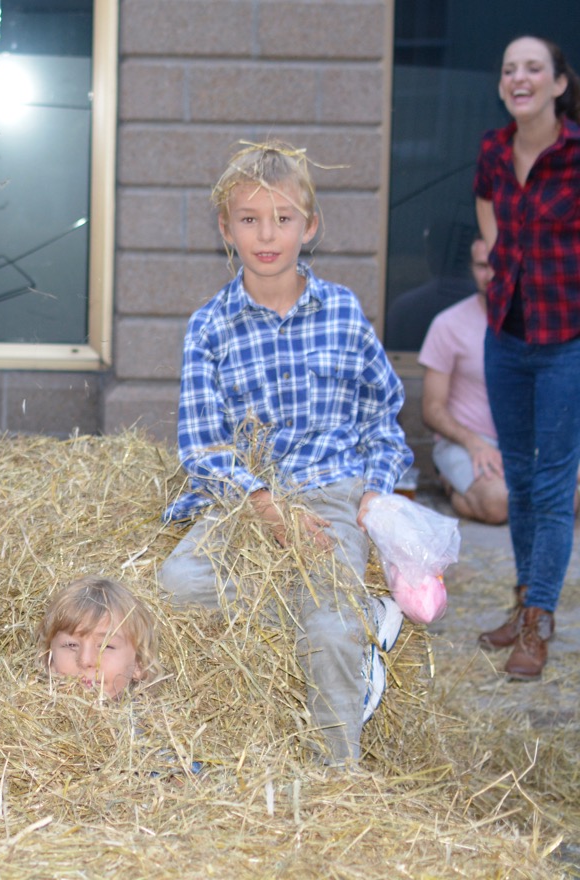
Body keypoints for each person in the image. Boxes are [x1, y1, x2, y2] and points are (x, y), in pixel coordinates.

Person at [156, 141, 411, 766]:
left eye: (283, 218)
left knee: (326, 630)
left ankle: (336, 773)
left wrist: (374, 492)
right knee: (179, 584)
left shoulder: (343, 313)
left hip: (329, 495)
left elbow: (384, 415)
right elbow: (203, 445)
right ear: (225, 229)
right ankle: (354, 618)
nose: (266, 234)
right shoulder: (210, 326)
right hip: (249, 499)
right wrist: (268, 512)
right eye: (249, 219)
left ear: (309, 225)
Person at [473, 35, 580, 681]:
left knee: (550, 486)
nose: (520, 78)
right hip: (506, 337)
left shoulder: (576, 153)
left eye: (533, 68)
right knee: (518, 477)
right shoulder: (491, 148)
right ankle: (523, 603)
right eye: (509, 68)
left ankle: (539, 621)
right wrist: (498, 265)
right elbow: (487, 207)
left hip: (566, 339)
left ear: (558, 83)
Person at [418, 239, 509, 524]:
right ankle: (454, 484)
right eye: (483, 265)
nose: (491, 274)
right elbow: (431, 409)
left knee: (555, 501)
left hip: (523, 442)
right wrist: (474, 444)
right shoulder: (448, 324)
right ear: (471, 268)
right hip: (466, 441)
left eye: (499, 265)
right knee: (498, 505)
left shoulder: (535, 320)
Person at [36, 575, 160, 700]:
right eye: (71, 645)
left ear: (139, 664)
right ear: (49, 658)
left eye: (106, 646)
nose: (85, 661)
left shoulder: (155, 718)